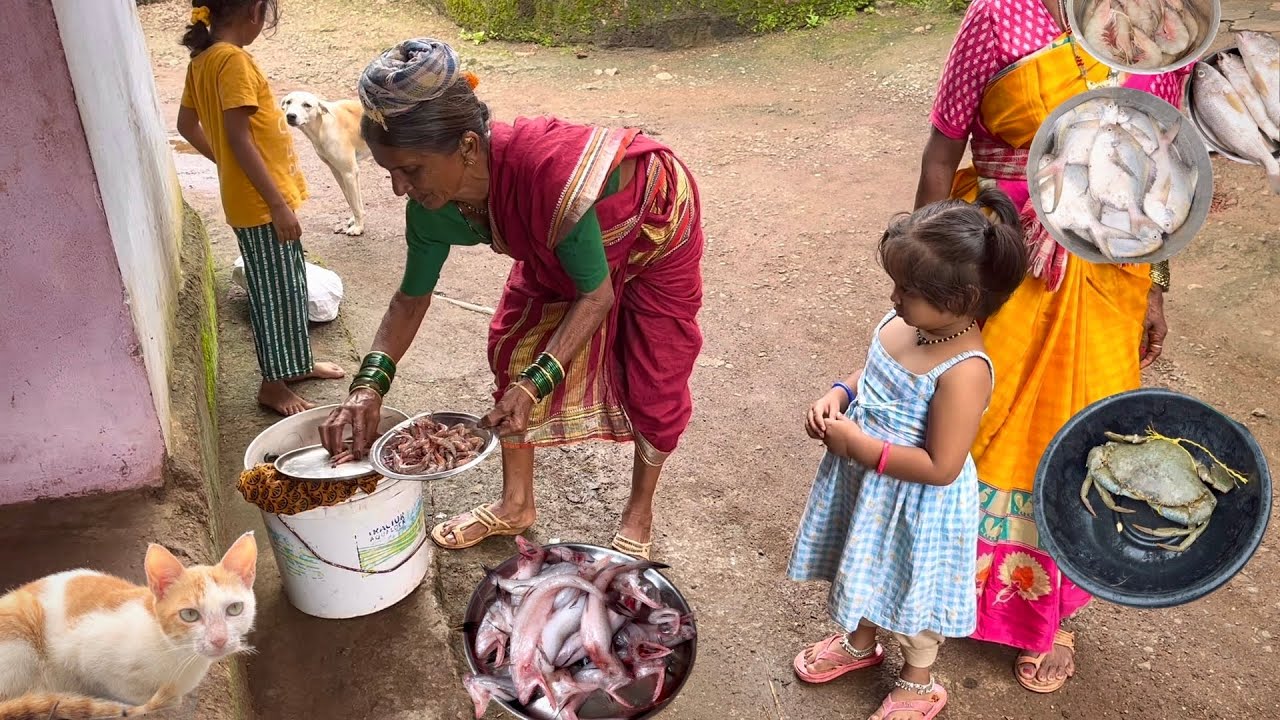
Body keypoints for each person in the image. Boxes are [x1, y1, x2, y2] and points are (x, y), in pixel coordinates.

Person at [318, 39, 704, 559]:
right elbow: (409, 301)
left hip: (650, 223)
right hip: (562, 239)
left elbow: (595, 296)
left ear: (470, 147)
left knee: (655, 369)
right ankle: (515, 505)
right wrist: (367, 388)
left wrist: (532, 387)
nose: (397, 188)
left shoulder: (548, 179)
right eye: (390, 172)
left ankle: (639, 508)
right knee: (513, 343)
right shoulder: (430, 209)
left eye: (411, 170)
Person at [913, 0, 1191, 693]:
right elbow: (943, 149)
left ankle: (1048, 614)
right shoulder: (998, 16)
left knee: (1081, 437)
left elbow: (1162, 174)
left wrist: (1155, 282)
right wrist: (932, 278)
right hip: (1004, 259)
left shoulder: (1164, 26)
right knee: (967, 424)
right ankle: (925, 594)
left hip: (1108, 269)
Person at [788, 189, 1028, 720]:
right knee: (867, 563)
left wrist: (858, 445)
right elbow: (873, 371)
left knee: (913, 585)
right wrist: (841, 394)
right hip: (872, 486)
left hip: (917, 503)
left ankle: (919, 682)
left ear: (962, 300)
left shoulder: (964, 370)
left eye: (908, 290)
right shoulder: (908, 323)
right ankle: (859, 643)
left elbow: (942, 466)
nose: (894, 298)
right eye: (896, 284)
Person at [176, 0, 344, 416]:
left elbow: (185, 126)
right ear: (253, 12)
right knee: (274, 294)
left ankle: (295, 365)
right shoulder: (231, 61)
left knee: (287, 284)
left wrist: (227, 164)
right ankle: (273, 385)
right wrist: (276, 203)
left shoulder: (203, 60)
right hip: (261, 204)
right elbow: (239, 137)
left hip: (254, 196)